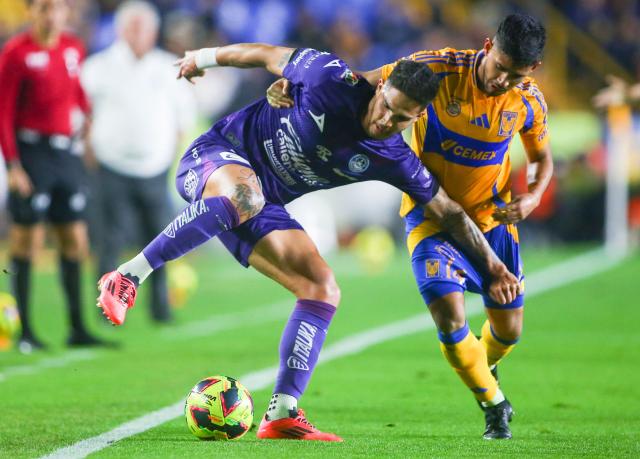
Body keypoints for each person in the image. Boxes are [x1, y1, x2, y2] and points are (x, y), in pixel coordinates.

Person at [97, 43, 520, 441]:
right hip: (216, 157)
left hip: (260, 203)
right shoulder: (326, 78)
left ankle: (282, 411)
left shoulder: (394, 157)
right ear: (380, 88)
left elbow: (448, 211)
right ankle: (127, 275)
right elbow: (266, 54)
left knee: (322, 287)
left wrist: (494, 268)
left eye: (401, 119)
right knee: (247, 195)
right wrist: (202, 58)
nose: (385, 121)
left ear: (417, 118)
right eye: (386, 107)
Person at [266, 12, 553, 441]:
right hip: (432, 216)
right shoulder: (436, 69)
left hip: (492, 221)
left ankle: (484, 364)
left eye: (514, 76)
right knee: (447, 312)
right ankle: (494, 403)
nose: (501, 82)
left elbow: (542, 160)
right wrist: (294, 86)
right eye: (499, 69)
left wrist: (530, 198)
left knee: (509, 331)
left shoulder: (529, 102)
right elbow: (360, 81)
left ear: (532, 70)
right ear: (488, 47)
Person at [0, 0, 108, 352]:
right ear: (31, 12)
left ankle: (77, 327)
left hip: (65, 153)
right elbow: (3, 111)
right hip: (31, 153)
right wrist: (13, 166)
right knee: (27, 242)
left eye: (57, 8)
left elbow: (74, 88)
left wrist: (86, 113)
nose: (52, 15)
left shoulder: (72, 48)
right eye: (44, 8)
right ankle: (26, 331)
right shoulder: (16, 53)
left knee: (75, 238)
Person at [81, 0, 196, 323]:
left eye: (143, 27)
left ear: (153, 31)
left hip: (154, 168)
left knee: (160, 242)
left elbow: (183, 120)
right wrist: (90, 155)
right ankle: (106, 308)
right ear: (120, 29)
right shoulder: (98, 67)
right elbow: (82, 117)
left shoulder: (168, 67)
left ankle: (161, 308)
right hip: (110, 165)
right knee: (109, 240)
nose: (138, 33)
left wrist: (172, 157)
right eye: (132, 26)